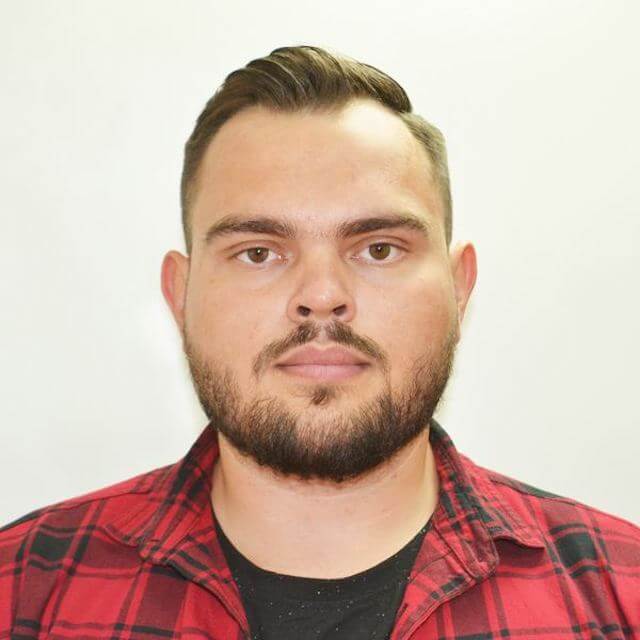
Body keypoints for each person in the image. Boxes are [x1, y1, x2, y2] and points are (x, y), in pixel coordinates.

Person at [1, 45, 638, 640]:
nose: (323, 294)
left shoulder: (623, 593)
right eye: (258, 252)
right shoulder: (20, 589)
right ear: (181, 295)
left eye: (379, 249)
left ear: (458, 286)